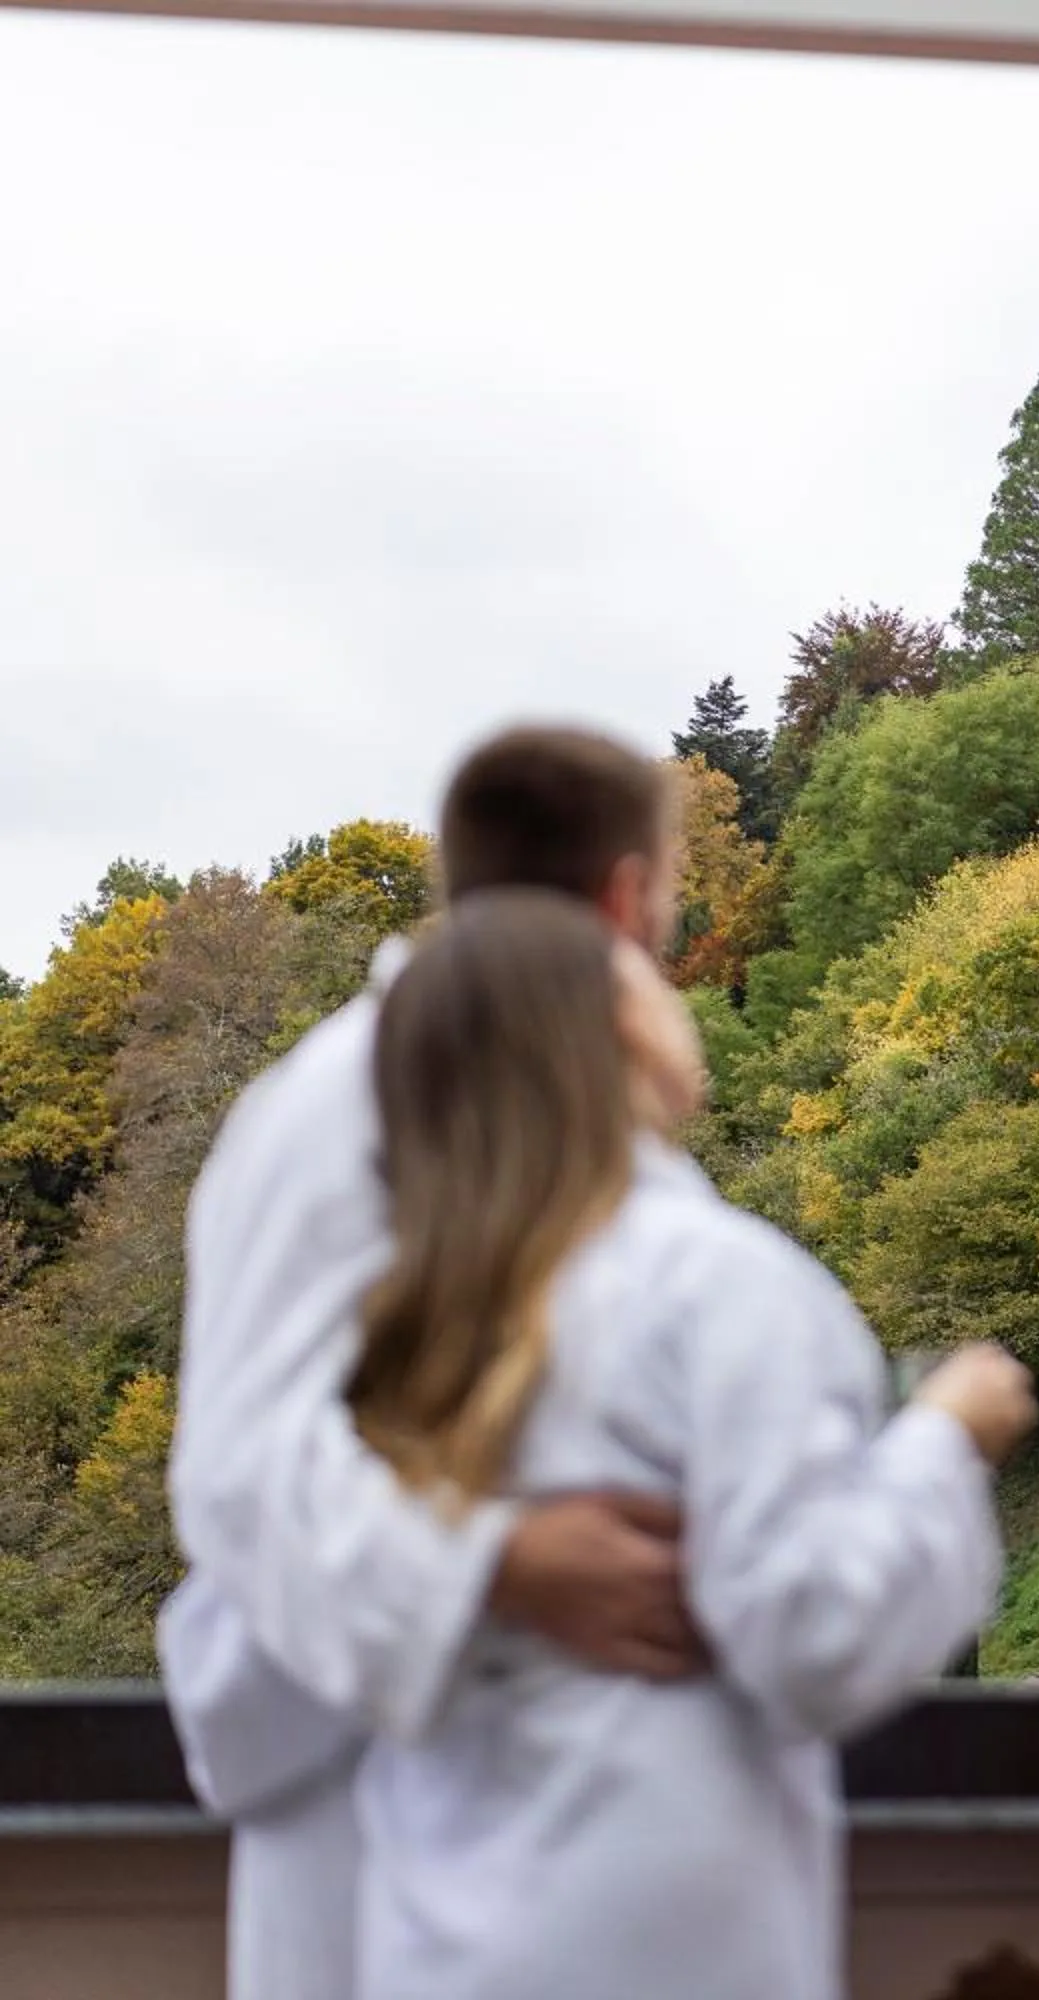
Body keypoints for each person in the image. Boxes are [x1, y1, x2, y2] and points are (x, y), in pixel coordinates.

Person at [344, 889, 1028, 1999]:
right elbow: (816, 1630)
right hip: (656, 1929)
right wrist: (947, 1439)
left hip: (440, 1929)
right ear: (622, 1032)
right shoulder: (720, 1286)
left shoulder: (412, 1318)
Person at [163, 729, 723, 2000]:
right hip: (368, 1822)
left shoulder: (584, 1125)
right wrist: (497, 1568)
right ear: (628, 898)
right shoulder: (339, 1111)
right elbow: (241, 1468)